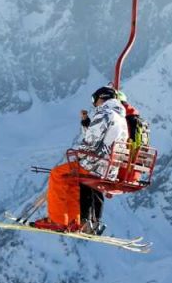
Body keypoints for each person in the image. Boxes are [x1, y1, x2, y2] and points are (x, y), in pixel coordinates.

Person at [31, 86, 130, 234]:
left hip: (95, 165)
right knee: (71, 179)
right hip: (108, 167)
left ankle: (58, 221)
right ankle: (73, 222)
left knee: (57, 174)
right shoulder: (120, 118)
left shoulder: (105, 114)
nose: (94, 104)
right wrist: (86, 124)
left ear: (101, 98)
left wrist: (80, 154)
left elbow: (90, 142)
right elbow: (102, 139)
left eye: (94, 100)